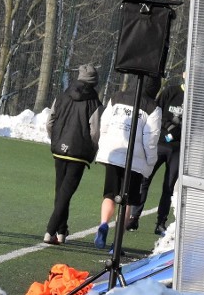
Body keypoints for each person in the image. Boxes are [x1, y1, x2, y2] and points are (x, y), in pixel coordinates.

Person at [93, 75, 162, 250]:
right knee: (128, 201)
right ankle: (116, 243)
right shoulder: (153, 108)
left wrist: (104, 146)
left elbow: (104, 125)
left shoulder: (116, 97)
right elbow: (151, 140)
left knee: (109, 195)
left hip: (113, 154)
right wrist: (151, 161)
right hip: (135, 160)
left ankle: (103, 224)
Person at [43, 64, 103, 244]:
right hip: (79, 153)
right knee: (66, 193)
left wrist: (55, 139)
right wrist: (92, 148)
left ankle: (61, 232)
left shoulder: (62, 96)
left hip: (59, 150)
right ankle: (50, 230)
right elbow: (95, 131)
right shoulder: (95, 103)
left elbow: (50, 121)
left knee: (61, 191)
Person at [127, 71, 185, 235]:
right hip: (160, 144)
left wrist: (177, 133)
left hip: (177, 150)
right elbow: (156, 113)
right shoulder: (170, 92)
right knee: (144, 180)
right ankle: (134, 218)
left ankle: (161, 223)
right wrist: (170, 127)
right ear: (184, 74)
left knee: (168, 186)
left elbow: (195, 125)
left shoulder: (196, 100)